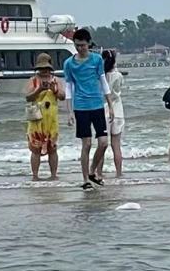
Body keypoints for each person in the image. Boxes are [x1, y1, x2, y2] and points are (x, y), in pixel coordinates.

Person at [63, 28, 115, 189]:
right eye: (77, 45)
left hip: (97, 105)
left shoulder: (97, 60)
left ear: (89, 44)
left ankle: (93, 171)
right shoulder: (69, 63)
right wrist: (70, 112)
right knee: (86, 144)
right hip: (81, 107)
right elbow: (69, 88)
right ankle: (85, 179)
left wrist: (110, 105)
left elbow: (103, 82)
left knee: (104, 142)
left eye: (83, 45)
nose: (80, 48)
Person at [23, 53, 65, 180]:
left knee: (53, 148)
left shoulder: (56, 80)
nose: (44, 71)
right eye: (41, 69)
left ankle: (53, 175)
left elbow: (63, 96)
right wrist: (39, 89)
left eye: (46, 69)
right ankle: (35, 176)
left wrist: (55, 90)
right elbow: (28, 97)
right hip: (36, 120)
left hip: (51, 120)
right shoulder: (33, 80)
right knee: (35, 149)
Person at [98, 48, 125, 179]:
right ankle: (119, 173)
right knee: (116, 146)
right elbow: (120, 88)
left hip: (103, 111)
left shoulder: (100, 75)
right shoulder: (118, 75)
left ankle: (98, 172)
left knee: (101, 145)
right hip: (118, 111)